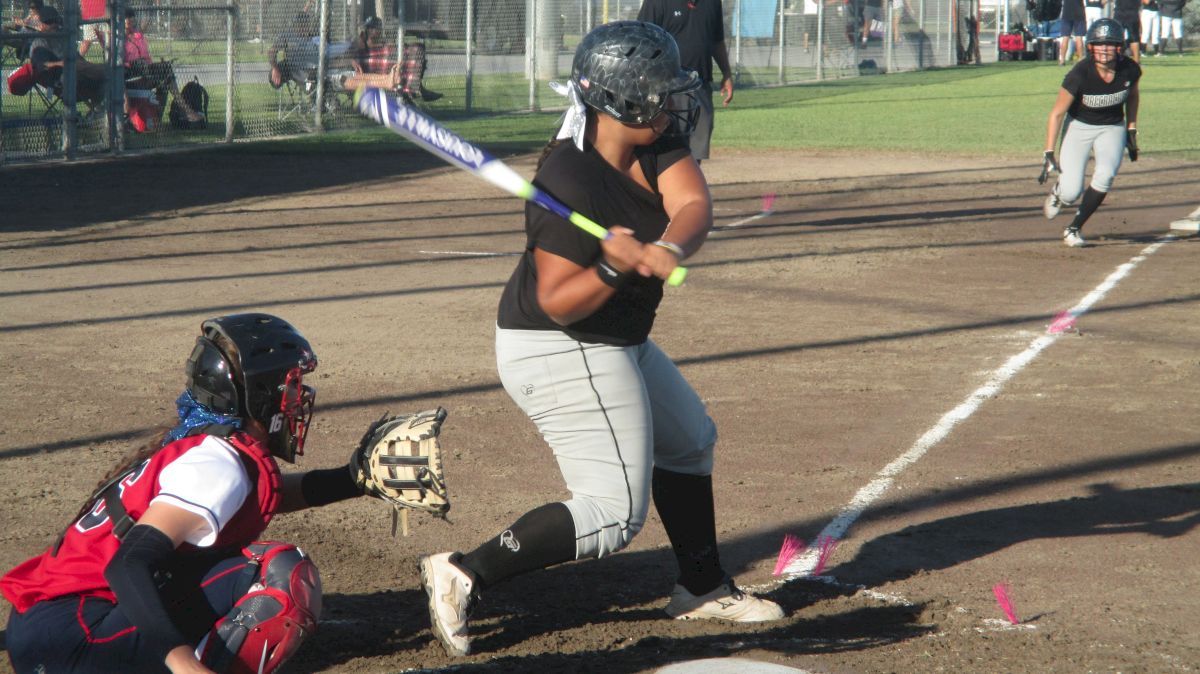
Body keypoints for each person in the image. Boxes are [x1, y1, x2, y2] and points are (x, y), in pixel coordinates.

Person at [416, 21, 785, 658]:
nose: (673, 102)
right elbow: (560, 302)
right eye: (659, 90)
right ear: (619, 102)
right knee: (614, 513)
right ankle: (462, 570)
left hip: (616, 338)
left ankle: (700, 587)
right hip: (561, 344)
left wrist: (667, 246)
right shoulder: (569, 178)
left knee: (689, 440)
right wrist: (613, 265)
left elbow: (693, 204)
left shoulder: (656, 140)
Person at [1, 313, 398, 674]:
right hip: (75, 640)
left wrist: (352, 479)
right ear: (259, 393)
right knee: (279, 571)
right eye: (290, 385)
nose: (297, 399)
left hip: (52, 629)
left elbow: (259, 496)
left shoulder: (208, 448)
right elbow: (128, 565)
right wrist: (183, 662)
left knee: (226, 561)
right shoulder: (217, 464)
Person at [1041, 18, 1140, 247]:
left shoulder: (1130, 69)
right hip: (1080, 126)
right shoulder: (1080, 74)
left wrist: (1132, 129)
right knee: (1071, 191)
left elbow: (1133, 96)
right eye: (1099, 44)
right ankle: (1059, 193)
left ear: (1119, 47)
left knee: (1105, 176)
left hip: (1112, 126)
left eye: (1110, 44)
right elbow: (1056, 114)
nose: (1104, 49)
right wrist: (1048, 152)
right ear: (1090, 47)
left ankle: (1074, 228)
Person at [637, 0, 734, 163]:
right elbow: (642, 39)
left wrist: (726, 73)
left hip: (700, 85)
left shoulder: (712, 3)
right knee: (666, 147)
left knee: (697, 147)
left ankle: (688, 185)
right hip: (667, 87)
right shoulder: (657, 3)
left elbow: (716, 41)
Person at [79, 9, 205, 124]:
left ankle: (163, 117)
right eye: (126, 18)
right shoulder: (114, 37)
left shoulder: (138, 36)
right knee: (141, 64)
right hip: (128, 74)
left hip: (145, 71)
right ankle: (185, 111)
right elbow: (111, 52)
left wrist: (157, 65)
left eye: (131, 17)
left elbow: (147, 57)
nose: (129, 20)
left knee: (166, 70)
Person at [268, 10, 320, 90]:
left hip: (308, 69)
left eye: (305, 24)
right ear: (295, 25)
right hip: (290, 67)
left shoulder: (313, 36)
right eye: (300, 24)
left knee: (310, 87)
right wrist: (275, 69)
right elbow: (272, 51)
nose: (303, 27)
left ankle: (312, 94)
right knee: (272, 76)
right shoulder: (287, 35)